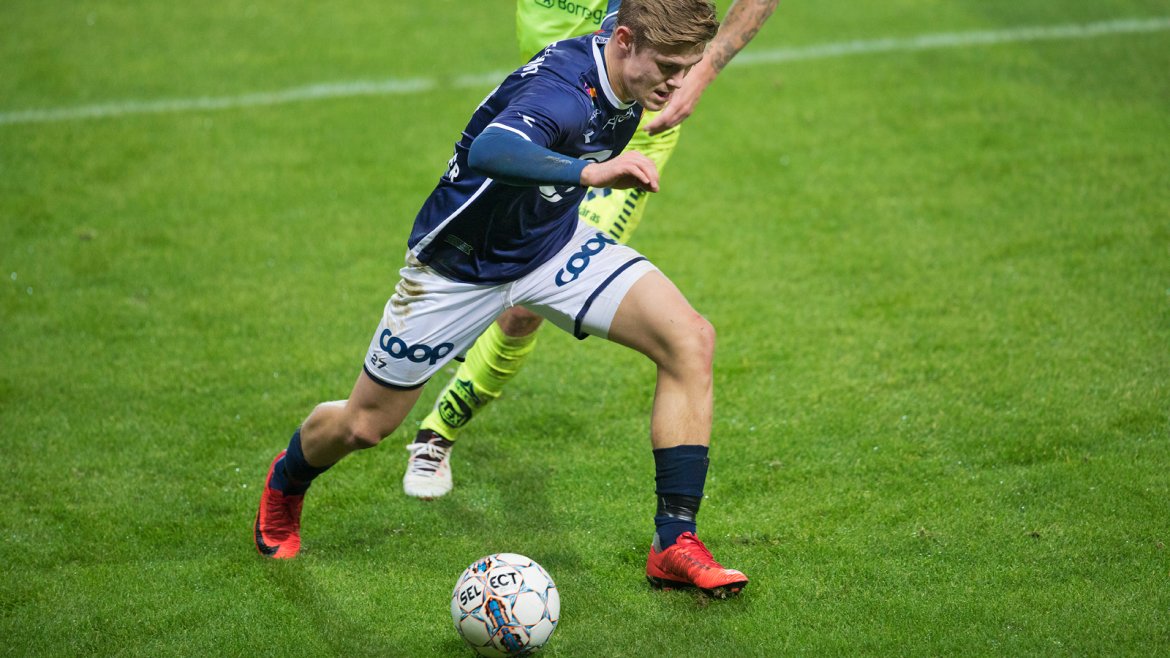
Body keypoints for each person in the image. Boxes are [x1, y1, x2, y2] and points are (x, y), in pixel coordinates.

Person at [255, 0, 749, 597]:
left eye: (685, 68)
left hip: (553, 245)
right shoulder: (562, 93)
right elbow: (490, 149)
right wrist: (589, 174)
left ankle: (673, 542)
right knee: (364, 426)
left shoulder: (627, 41)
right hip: (458, 268)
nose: (677, 83)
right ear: (622, 40)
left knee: (690, 339)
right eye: (668, 67)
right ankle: (287, 481)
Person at [404, 0, 781, 500]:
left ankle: (438, 431)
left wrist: (703, 67)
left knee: (525, 308)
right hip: (547, 114)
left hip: (632, 129)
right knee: (495, 279)